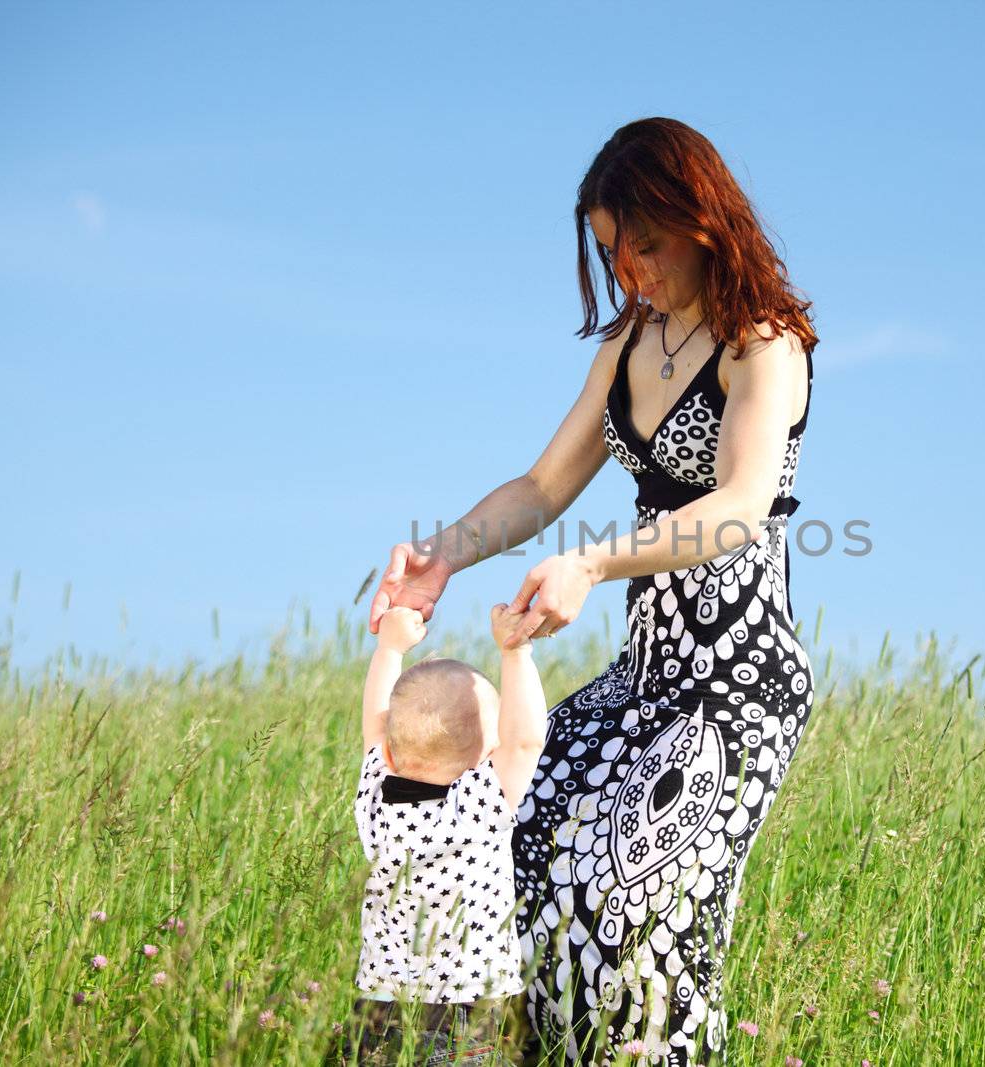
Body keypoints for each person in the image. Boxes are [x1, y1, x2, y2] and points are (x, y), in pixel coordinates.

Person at [367, 115, 819, 1065]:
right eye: (614, 251)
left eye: (646, 244)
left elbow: (739, 503)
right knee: (509, 853)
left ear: (703, 218)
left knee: (628, 907)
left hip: (737, 687)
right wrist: (444, 553)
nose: (632, 270)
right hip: (641, 678)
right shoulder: (627, 347)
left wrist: (595, 561)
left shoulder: (762, 343)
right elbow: (541, 488)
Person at [329, 604, 547, 1066]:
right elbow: (526, 741)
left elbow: (375, 727)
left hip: (378, 1008)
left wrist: (389, 649)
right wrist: (515, 652)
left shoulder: (377, 800)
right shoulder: (475, 805)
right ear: (489, 753)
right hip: (462, 1013)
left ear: (390, 749)